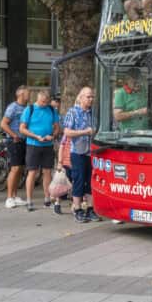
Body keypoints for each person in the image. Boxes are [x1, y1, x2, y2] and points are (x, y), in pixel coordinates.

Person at [62, 87, 100, 222]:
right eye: (88, 97)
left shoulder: (92, 113)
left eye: (92, 97)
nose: (91, 99)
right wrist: (85, 132)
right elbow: (67, 132)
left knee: (90, 180)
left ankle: (90, 209)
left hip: (90, 152)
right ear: (81, 97)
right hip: (77, 152)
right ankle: (77, 208)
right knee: (78, 180)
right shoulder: (73, 112)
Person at [18, 90, 61, 211]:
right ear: (38, 99)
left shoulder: (51, 109)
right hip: (33, 145)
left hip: (48, 144)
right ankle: (29, 200)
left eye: (47, 102)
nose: (45, 104)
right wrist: (35, 136)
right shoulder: (29, 109)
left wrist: (52, 135)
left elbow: (57, 127)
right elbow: (22, 128)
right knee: (32, 172)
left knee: (47, 172)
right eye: (43, 102)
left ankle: (47, 199)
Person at [0, 85, 29, 209]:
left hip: (24, 141)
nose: (29, 95)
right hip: (14, 142)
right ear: (21, 94)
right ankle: (9, 198)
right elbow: (3, 124)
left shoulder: (27, 107)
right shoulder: (13, 107)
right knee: (15, 169)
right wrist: (13, 136)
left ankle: (15, 196)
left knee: (21, 169)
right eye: (28, 93)